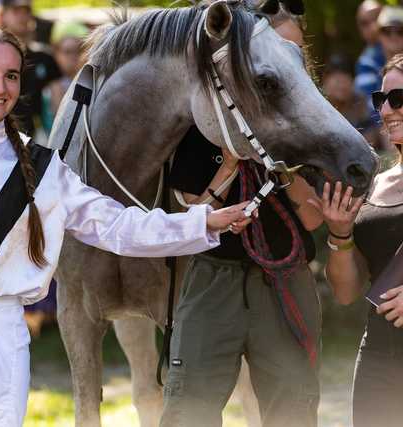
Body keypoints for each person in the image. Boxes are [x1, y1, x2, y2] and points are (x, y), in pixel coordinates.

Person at [0, 26, 253, 426]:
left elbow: (117, 225)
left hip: (3, 331)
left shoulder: (43, 167)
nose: (0, 86)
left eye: (11, 76)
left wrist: (203, 221)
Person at [160, 10, 324, 427]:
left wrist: (283, 168)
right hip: (214, 276)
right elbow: (190, 213)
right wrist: (233, 161)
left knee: (292, 404)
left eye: (296, 53)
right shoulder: (204, 120)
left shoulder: (312, 123)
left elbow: (312, 221)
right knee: (189, 402)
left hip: (284, 277)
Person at [313, 53, 403, 427]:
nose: (387, 109)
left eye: (399, 99)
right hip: (379, 353)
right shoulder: (375, 183)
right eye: (381, 100)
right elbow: (348, 292)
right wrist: (340, 233)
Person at [0, 0, 60, 136]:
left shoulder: (45, 57)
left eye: (26, 11)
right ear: (3, 15)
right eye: (16, 11)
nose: (22, 16)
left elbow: (57, 101)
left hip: (37, 137)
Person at [322, 53, 384, 151]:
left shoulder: (361, 103)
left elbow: (371, 139)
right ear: (325, 81)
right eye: (337, 79)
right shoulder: (317, 105)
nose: (342, 84)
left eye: (346, 78)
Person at [41, 20, 88, 134]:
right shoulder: (50, 89)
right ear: (56, 54)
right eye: (68, 51)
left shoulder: (94, 83)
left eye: (79, 50)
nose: (74, 56)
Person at [355, 0, 385, 103]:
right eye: (364, 23)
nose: (373, 26)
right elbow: (373, 109)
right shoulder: (366, 63)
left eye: (376, 17)